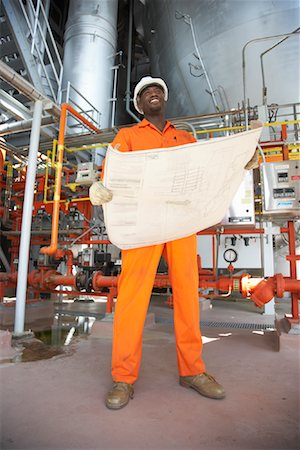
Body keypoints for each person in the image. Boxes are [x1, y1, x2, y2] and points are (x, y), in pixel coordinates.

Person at [90, 76, 259, 410]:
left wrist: (239, 163)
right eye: (145, 92)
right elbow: (113, 174)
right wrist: (99, 186)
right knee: (132, 298)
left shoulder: (185, 137)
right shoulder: (127, 136)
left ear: (164, 100)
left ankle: (192, 371)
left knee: (187, 295)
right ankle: (123, 377)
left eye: (158, 90)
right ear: (138, 104)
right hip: (142, 224)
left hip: (181, 222)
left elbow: (208, 172)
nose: (153, 93)